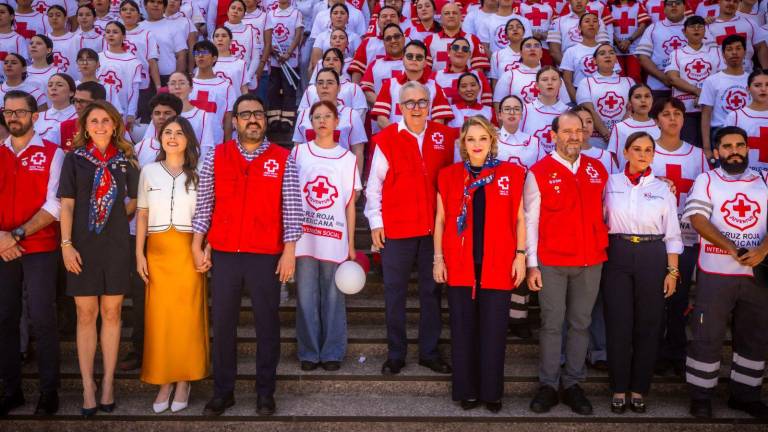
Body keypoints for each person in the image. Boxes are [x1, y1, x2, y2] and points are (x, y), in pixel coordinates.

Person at [192, 94, 302, 417]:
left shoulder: (283, 158)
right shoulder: (217, 156)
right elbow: (204, 204)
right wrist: (197, 244)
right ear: (236, 121)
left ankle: (265, 393)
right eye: (245, 114)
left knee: (267, 326)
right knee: (223, 325)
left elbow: (293, 210)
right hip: (225, 253)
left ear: (265, 120)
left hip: (266, 255)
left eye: (258, 114)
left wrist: (289, 251)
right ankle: (223, 392)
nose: (253, 119)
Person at [433, 115, 526, 412]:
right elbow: (441, 220)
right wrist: (438, 258)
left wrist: (521, 255)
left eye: (482, 138)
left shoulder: (511, 173)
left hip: (497, 265)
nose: (476, 144)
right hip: (460, 265)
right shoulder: (448, 175)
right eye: (470, 139)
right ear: (463, 143)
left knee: (494, 332)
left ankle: (492, 392)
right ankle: (467, 390)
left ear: (492, 141)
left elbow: (520, 218)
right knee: (463, 332)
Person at [365, 80, 457, 376]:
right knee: (395, 293)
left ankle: (429, 352)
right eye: (410, 103)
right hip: (397, 229)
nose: (416, 108)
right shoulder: (386, 138)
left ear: (429, 105)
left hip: (434, 231)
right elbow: (374, 187)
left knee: (432, 293)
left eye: (421, 102)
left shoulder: (445, 136)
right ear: (400, 107)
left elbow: (454, 181)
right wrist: (376, 223)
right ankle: (396, 353)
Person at [58, 100, 140, 417]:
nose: (101, 126)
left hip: (117, 245)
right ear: (85, 126)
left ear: (116, 125)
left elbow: (136, 201)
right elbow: (66, 205)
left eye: (106, 120)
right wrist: (66, 244)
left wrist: (113, 213)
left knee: (112, 311)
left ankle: (107, 383)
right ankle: (87, 385)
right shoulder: (74, 160)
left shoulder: (126, 160)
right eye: (94, 120)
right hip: (81, 245)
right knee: (85, 314)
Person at [526, 111, 609, 415]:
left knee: (580, 324)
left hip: (590, 261)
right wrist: (532, 264)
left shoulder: (598, 169)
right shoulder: (539, 171)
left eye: (579, 130)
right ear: (553, 135)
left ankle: (573, 383)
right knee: (551, 324)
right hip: (552, 262)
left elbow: (608, 210)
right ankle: (548, 385)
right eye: (567, 131)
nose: (575, 136)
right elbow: (531, 220)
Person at [683, 126, 768, 419]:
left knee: (754, 336)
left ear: (747, 148)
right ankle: (701, 396)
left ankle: (746, 394)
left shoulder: (764, 179)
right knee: (707, 334)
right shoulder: (707, 179)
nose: (735, 150)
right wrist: (733, 248)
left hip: (757, 274)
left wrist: (764, 250)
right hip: (716, 270)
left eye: (740, 145)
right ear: (717, 152)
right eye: (728, 146)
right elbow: (697, 219)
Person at [602, 131, 682, 414]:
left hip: (652, 254)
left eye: (649, 150)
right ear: (625, 152)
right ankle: (618, 388)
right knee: (618, 323)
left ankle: (639, 389)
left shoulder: (663, 190)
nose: (643, 154)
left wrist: (672, 271)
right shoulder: (610, 182)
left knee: (649, 325)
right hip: (618, 253)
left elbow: (672, 234)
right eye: (637, 149)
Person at [136, 116, 209, 414]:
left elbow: (209, 214)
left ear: (189, 139)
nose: (173, 137)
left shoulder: (200, 173)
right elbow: (141, 214)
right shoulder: (149, 171)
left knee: (188, 316)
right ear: (160, 137)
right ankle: (163, 378)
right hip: (157, 250)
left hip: (187, 251)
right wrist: (139, 254)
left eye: (179, 132)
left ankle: (184, 379)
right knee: (159, 317)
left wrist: (207, 250)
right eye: (168, 132)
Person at [0, 90, 65, 417]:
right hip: (2, 249)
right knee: (5, 318)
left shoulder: (53, 153)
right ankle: (11, 390)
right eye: (8, 112)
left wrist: (17, 234)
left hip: (39, 246)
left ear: (34, 116)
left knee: (42, 318)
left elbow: (54, 204)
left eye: (20, 112)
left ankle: (48, 392)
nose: (13, 118)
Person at [293, 100, 362, 372]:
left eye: (327, 116)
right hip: (304, 237)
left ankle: (332, 351)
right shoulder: (299, 153)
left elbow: (349, 204)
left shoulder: (347, 159)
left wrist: (353, 245)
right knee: (306, 295)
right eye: (316, 116)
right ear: (311, 123)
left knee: (334, 297)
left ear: (336, 122)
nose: (322, 121)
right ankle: (309, 352)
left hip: (335, 237)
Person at [648, 96, 709, 377]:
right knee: (655, 297)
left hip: (687, 238)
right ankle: (655, 351)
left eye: (677, 114)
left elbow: (707, 194)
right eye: (666, 114)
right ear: (656, 120)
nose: (672, 119)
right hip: (655, 237)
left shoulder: (697, 155)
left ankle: (676, 349)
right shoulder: (649, 152)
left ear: (685, 119)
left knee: (680, 296)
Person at [293, 68, 366, 172]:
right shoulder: (304, 114)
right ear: (316, 87)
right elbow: (297, 150)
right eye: (320, 83)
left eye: (330, 82)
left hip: (340, 174)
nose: (324, 86)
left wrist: (356, 185)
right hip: (308, 174)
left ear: (339, 87)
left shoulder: (351, 115)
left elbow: (358, 152)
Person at [664, 15, 722, 146]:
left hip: (712, 110)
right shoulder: (677, 53)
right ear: (684, 32)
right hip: (685, 111)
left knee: (714, 149)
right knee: (689, 147)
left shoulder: (716, 52)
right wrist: (700, 93)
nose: (696, 29)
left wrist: (704, 97)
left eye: (700, 26)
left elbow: (721, 78)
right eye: (691, 26)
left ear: (705, 30)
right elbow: (673, 78)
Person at [371, 40, 454, 129]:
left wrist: (420, 140)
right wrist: (399, 137)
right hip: (395, 140)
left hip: (424, 141)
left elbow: (439, 121)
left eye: (419, 57)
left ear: (425, 62)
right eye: (410, 56)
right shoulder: (390, 85)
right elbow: (381, 119)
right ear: (403, 59)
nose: (414, 59)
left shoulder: (434, 87)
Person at [699, 34, 749, 163]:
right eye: (729, 49)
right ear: (723, 53)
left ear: (745, 51)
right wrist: (707, 148)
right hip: (720, 132)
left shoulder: (753, 80)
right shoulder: (712, 81)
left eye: (738, 48)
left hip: (748, 131)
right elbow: (706, 115)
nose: (734, 53)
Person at [576, 43, 636, 148]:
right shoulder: (586, 82)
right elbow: (589, 110)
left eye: (611, 53)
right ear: (594, 60)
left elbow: (632, 109)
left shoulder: (629, 81)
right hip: (596, 140)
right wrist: (606, 134)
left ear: (616, 59)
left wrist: (618, 133)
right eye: (602, 53)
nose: (607, 56)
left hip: (624, 137)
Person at [263, 0, 304, 131]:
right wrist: (271, 49)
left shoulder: (296, 13)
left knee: (289, 88)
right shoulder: (270, 13)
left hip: (289, 58)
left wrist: (288, 53)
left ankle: (287, 119)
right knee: (273, 88)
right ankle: (274, 117)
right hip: (274, 57)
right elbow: (267, 35)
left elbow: (298, 34)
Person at [636, 0, 690, 100]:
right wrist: (663, 78)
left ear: (685, 7)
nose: (674, 6)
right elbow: (642, 57)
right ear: (664, 9)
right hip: (658, 85)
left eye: (677, 3)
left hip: (689, 85)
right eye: (669, 4)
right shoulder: (653, 28)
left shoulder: (695, 28)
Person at [120, 0, 162, 126]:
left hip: (142, 84)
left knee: (140, 123)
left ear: (138, 15)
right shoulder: (113, 33)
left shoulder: (147, 34)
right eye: (125, 9)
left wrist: (158, 86)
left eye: (132, 10)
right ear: (120, 14)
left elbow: (152, 61)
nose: (128, 12)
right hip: (120, 83)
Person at [98, 21, 143, 130]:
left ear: (123, 36)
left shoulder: (133, 62)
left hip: (121, 110)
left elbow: (134, 90)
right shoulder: (98, 57)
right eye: (108, 32)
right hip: (98, 106)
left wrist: (131, 113)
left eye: (115, 32)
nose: (111, 34)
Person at [189, 40, 235, 145]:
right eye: (197, 53)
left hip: (214, 140)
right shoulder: (187, 84)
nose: (200, 56)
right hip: (189, 139)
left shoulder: (225, 86)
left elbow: (228, 118)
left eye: (204, 52)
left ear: (214, 58)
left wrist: (228, 146)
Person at [724, 68, 768, 173]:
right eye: (757, 85)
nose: (763, 89)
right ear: (748, 89)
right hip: (744, 177)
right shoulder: (735, 117)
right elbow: (726, 148)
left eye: (767, 85)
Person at [608, 83, 661, 167]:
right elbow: (613, 158)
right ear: (630, 102)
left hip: (654, 178)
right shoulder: (620, 127)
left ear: (652, 100)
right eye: (637, 97)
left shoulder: (660, 126)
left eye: (647, 96)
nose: (643, 100)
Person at [520, 66, 569, 153]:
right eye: (545, 79)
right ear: (537, 85)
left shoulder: (570, 112)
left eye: (554, 79)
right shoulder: (524, 110)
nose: (550, 83)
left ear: (560, 84)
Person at [610, 0, 650, 84]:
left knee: (634, 77)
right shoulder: (609, 6)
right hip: (615, 50)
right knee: (618, 78)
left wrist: (629, 41)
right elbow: (607, 26)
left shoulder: (638, 5)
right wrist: (617, 42)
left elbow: (643, 25)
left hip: (634, 49)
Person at [35, 74, 77, 146]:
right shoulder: (37, 117)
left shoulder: (79, 116)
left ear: (71, 92)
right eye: (50, 85)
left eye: (59, 85)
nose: (53, 88)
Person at [211, 26, 249, 97]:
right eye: (216, 36)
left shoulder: (240, 63)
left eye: (224, 36)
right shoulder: (207, 62)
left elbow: (244, 90)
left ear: (231, 41)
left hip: (233, 105)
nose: (220, 39)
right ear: (213, 41)